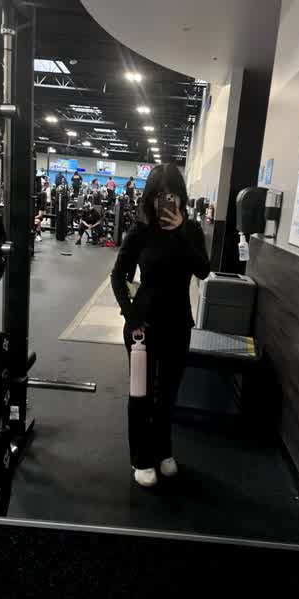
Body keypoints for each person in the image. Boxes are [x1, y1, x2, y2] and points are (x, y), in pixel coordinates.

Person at [111, 163, 210, 487]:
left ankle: (163, 450)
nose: (166, 202)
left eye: (172, 195)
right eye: (159, 196)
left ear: (180, 197)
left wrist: (180, 231)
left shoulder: (191, 231)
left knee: (167, 395)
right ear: (150, 197)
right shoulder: (140, 231)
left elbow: (203, 270)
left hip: (178, 324)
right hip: (143, 327)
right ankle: (140, 458)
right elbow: (118, 276)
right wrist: (130, 314)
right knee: (141, 394)